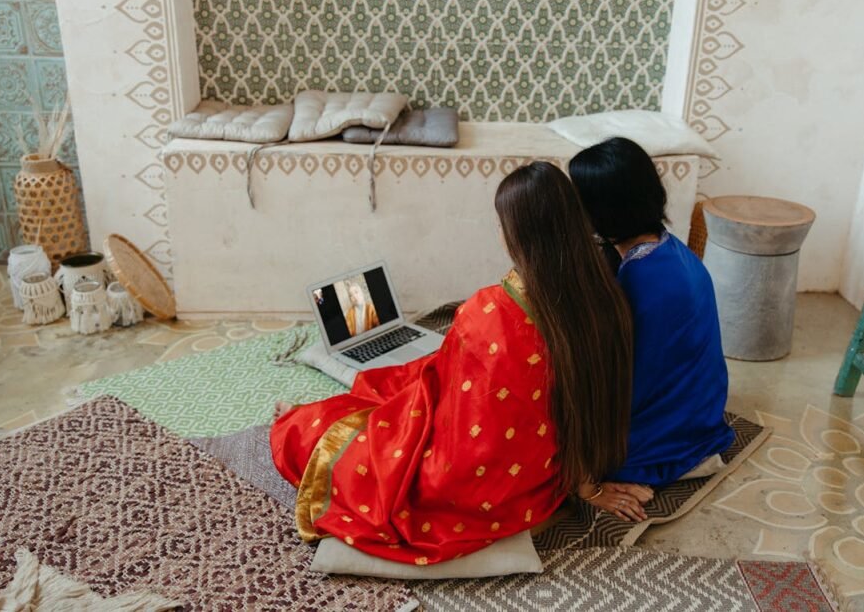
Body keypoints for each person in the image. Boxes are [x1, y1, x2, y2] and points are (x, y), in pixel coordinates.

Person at [270, 162, 644, 566]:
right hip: (540, 488)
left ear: (516, 235)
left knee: (318, 435)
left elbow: (451, 411)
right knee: (400, 385)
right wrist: (589, 488)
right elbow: (589, 404)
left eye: (502, 224)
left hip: (464, 495)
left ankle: (297, 418)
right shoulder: (608, 300)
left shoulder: (488, 311)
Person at [569, 137, 735, 490]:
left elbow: (626, 377)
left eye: (579, 198)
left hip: (674, 431)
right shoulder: (665, 246)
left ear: (604, 209)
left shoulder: (646, 279)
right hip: (701, 407)